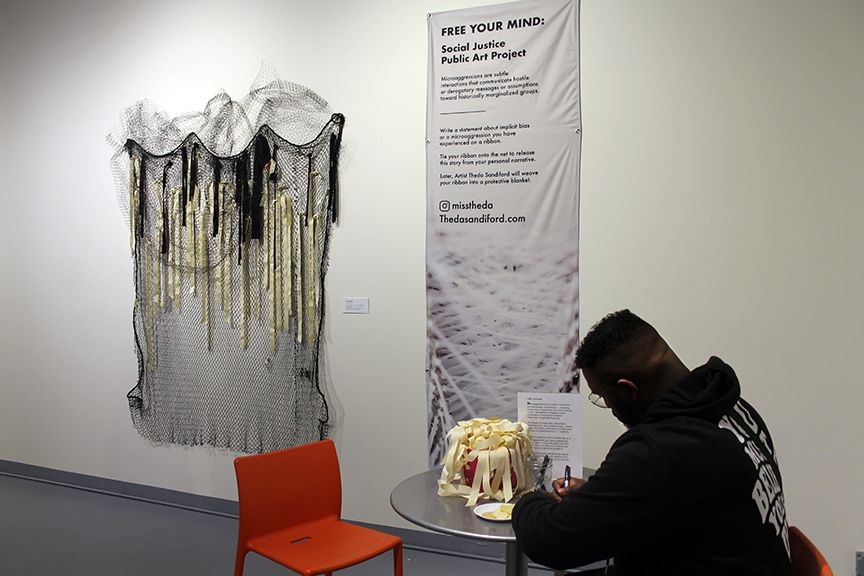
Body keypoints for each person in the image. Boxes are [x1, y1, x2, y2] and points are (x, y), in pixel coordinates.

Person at [512, 310, 792, 575]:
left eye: (602, 397)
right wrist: (603, 494)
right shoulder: (733, 409)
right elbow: (676, 496)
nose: (608, 406)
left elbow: (551, 542)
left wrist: (528, 496)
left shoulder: (660, 451)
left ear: (626, 389)